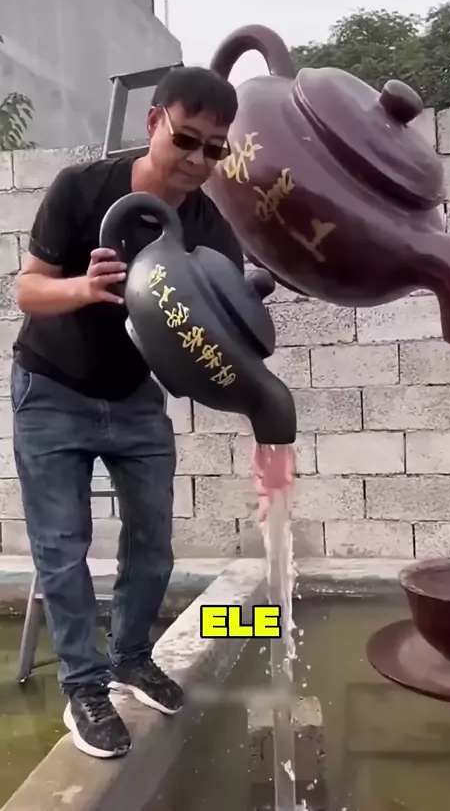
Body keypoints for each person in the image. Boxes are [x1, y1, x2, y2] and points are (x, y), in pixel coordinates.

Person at [11, 66, 244, 760]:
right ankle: (84, 689)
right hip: (51, 388)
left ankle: (132, 659)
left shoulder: (206, 226)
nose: (199, 160)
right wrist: (83, 288)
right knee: (62, 546)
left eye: (215, 149)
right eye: (187, 139)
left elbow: (226, 319)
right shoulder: (82, 189)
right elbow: (27, 291)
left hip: (136, 397)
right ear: (153, 123)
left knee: (153, 541)